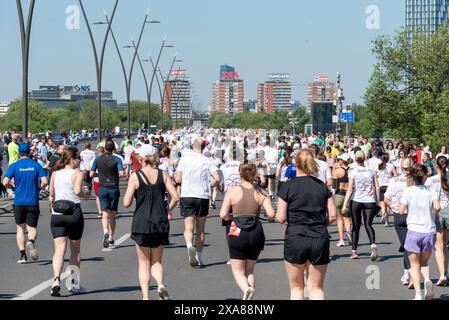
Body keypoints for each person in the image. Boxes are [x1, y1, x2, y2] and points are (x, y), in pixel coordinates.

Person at [276, 149, 337, 300]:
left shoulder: (287, 187)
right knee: (315, 288)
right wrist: (321, 225)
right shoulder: (322, 186)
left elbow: (281, 217)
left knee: (297, 288)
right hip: (319, 236)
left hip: (296, 236)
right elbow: (333, 215)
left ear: (295, 164)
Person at [123, 144, 180, 300]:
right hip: (160, 220)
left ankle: (146, 297)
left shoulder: (136, 176)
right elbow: (176, 197)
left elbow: (126, 203)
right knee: (156, 261)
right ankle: (160, 284)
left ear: (140, 158)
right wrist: (168, 208)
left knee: (143, 263)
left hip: (141, 222)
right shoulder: (163, 175)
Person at [219, 158, 275, 300]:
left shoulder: (233, 191)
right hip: (256, 231)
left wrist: (231, 219)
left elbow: (223, 214)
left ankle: (247, 289)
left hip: (237, 230)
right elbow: (271, 214)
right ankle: (249, 297)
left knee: (238, 271)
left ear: (240, 174)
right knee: (250, 270)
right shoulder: (261, 193)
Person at [49, 147, 89, 296]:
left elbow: (51, 194)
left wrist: (51, 207)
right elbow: (78, 191)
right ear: (72, 159)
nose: (79, 161)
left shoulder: (55, 174)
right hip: (73, 214)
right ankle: (73, 283)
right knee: (75, 251)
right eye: (78, 158)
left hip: (57, 214)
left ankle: (56, 280)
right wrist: (86, 194)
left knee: (59, 251)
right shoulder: (77, 174)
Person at [175, 137, 221, 268]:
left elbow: (178, 178)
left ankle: (189, 245)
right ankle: (199, 257)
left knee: (188, 226)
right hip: (203, 196)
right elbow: (217, 178)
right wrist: (210, 185)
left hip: (187, 194)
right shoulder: (208, 160)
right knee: (200, 229)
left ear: (192, 146)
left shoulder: (184, 159)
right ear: (204, 147)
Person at [399, 164, 440, 300]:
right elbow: (437, 206)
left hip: (414, 230)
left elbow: (401, 210)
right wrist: (434, 212)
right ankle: (427, 279)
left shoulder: (408, 191)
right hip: (429, 230)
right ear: (424, 176)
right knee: (424, 262)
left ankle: (418, 294)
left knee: (414, 265)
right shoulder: (431, 190)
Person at [3, 142, 48, 263]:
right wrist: (38, 189)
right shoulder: (36, 165)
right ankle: (31, 241)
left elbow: (5, 182)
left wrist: (13, 186)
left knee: (20, 228)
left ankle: (22, 256)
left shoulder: (14, 166)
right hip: (32, 201)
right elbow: (45, 181)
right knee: (32, 228)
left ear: (18, 153)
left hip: (19, 202)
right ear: (30, 152)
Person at [342, 150, 380, 261]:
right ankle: (372, 244)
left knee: (356, 226)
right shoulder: (372, 171)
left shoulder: (353, 172)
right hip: (370, 201)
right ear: (365, 159)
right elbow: (376, 187)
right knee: (368, 224)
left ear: (355, 159)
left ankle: (354, 251)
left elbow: (349, 189)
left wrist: (345, 204)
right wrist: (377, 201)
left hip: (356, 200)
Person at [384, 157, 414, 287]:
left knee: (407, 246)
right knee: (410, 247)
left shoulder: (394, 180)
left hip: (399, 216)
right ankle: (408, 272)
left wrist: (394, 207)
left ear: (401, 167)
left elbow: (386, 199)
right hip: (413, 215)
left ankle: (409, 273)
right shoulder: (415, 181)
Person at [90, 140, 124, 248]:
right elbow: (121, 173)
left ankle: (105, 231)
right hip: (113, 187)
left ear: (104, 148)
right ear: (113, 149)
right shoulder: (117, 159)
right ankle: (110, 237)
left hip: (102, 187)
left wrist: (100, 174)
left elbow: (91, 173)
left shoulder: (98, 159)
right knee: (112, 215)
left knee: (104, 213)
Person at [425, 156, 449, 286]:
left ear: (436, 166)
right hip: (448, 211)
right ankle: (445, 272)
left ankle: (442, 275)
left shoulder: (430, 180)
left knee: (438, 246)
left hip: (437, 213)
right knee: (445, 245)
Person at [332, 154, 352, 247]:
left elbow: (334, 186)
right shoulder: (352, 171)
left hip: (339, 194)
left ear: (341, 161)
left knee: (339, 218)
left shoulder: (337, 171)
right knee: (347, 217)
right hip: (348, 194)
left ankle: (341, 239)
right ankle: (348, 232)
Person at [376, 154, 396, 227]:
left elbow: (376, 176)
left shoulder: (379, 166)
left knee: (382, 203)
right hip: (389, 186)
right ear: (388, 158)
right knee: (388, 204)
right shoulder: (391, 166)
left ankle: (383, 212)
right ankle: (387, 222)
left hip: (381, 186)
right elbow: (395, 175)